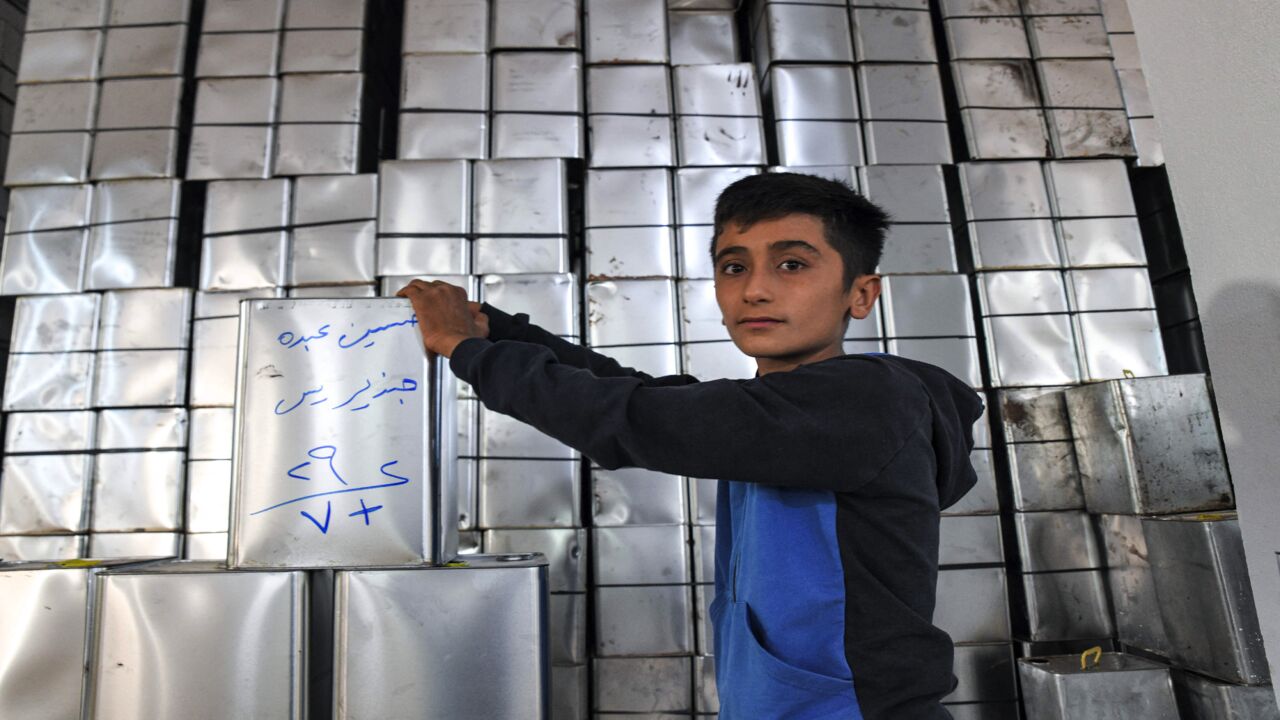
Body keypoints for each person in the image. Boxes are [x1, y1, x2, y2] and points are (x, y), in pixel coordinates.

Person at [398, 172, 985, 720]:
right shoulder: (781, 410)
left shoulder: (866, 400)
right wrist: (496, 328)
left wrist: (466, 349)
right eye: (734, 267)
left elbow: (640, 418)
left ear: (860, 294)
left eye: (791, 264)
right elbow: (643, 394)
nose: (755, 289)